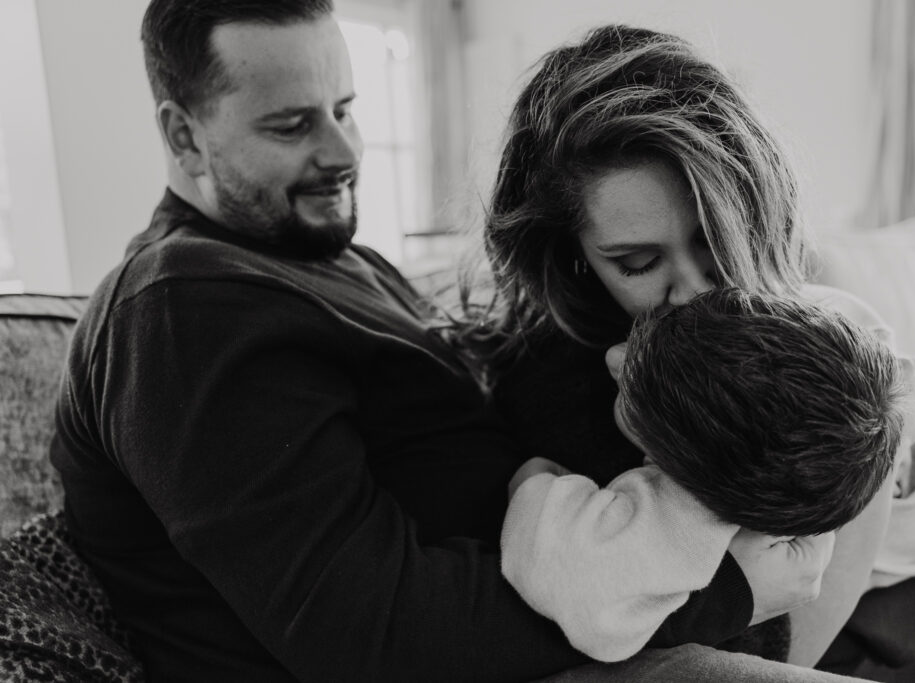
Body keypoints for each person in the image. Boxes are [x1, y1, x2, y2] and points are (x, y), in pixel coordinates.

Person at [48, 3, 839, 682]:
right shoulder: (179, 306)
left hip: (575, 618)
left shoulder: (332, 263)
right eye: (292, 125)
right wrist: (724, 593)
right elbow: (369, 633)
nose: (344, 152)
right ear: (183, 137)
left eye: (345, 108)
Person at [468, 23, 895, 667]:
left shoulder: (803, 322)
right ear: (574, 258)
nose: (695, 292)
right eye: (638, 263)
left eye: (714, 243)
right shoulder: (563, 392)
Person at [501, 287, 908, 663]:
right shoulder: (783, 462)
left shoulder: (670, 519)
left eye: (632, 380)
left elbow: (566, 573)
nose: (614, 356)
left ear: (676, 460)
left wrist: (538, 482)